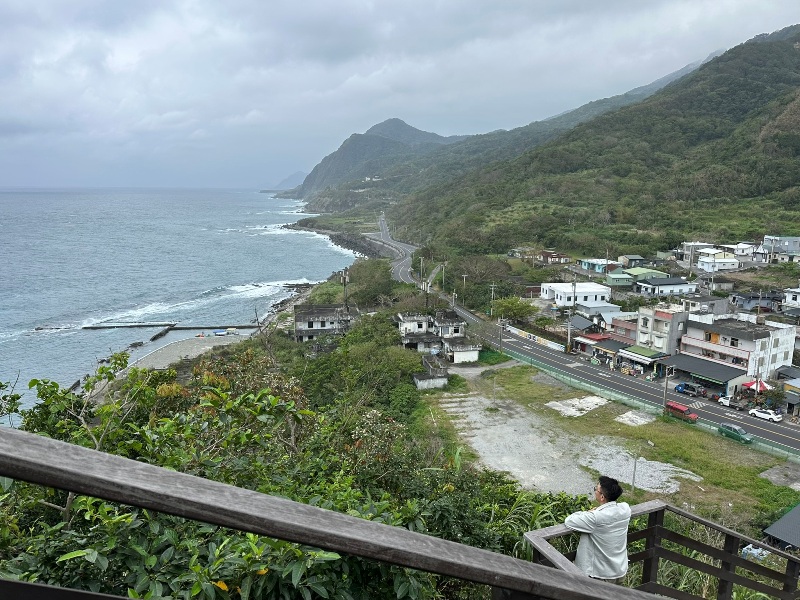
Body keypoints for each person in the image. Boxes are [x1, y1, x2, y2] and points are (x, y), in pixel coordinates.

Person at [564, 476, 631, 583]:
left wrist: (587, 513)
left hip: (601, 575)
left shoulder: (595, 518)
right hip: (619, 570)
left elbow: (569, 521)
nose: (595, 491)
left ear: (602, 497)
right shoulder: (625, 509)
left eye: (596, 489)